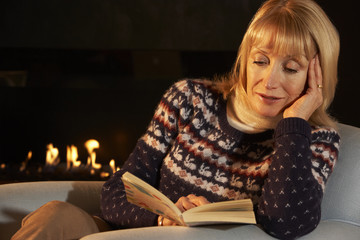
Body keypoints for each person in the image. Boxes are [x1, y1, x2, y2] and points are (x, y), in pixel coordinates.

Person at [11, 0, 340, 239]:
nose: (269, 81)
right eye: (260, 61)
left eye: (291, 68)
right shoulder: (189, 100)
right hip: (128, 235)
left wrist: (294, 125)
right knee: (55, 215)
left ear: (316, 76)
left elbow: (287, 223)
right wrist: (163, 219)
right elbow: (117, 190)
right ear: (245, 59)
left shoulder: (314, 141)